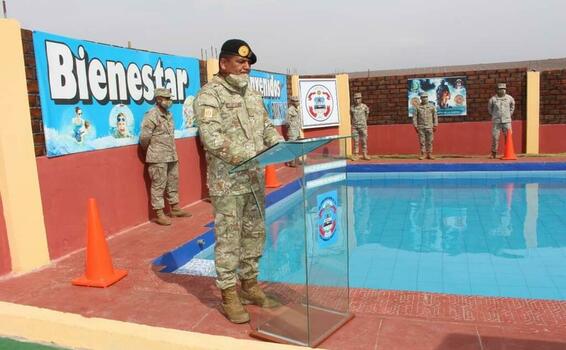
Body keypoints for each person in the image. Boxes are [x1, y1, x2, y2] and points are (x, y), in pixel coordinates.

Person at [193, 39, 283, 324]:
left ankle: (250, 286)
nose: (246, 67)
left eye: (249, 64)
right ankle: (229, 294)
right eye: (241, 62)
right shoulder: (209, 96)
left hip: (254, 180)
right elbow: (212, 139)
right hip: (228, 184)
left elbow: (267, 128)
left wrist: (280, 144)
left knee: (255, 235)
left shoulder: (253, 95)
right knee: (229, 240)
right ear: (223, 63)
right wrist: (254, 154)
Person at [139, 88, 191, 226]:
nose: (169, 101)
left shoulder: (169, 115)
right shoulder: (151, 115)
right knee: (158, 185)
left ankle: (175, 208)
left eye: (170, 98)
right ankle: (159, 214)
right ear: (158, 99)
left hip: (171, 155)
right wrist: (151, 151)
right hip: (157, 157)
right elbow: (144, 138)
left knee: (173, 181)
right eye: (166, 98)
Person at [488, 83, 515, 159]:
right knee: (495, 137)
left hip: (507, 121)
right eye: (500, 89)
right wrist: (495, 115)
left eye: (503, 89)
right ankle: (494, 153)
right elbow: (490, 109)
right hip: (496, 121)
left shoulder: (510, 98)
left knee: (508, 137)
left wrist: (509, 115)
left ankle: (507, 153)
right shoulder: (493, 99)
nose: (502, 90)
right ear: (497, 90)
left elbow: (512, 107)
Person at [413, 92, 438, 160]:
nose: (424, 98)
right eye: (423, 97)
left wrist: (435, 125)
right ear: (420, 98)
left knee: (430, 141)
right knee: (422, 141)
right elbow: (414, 117)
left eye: (426, 97)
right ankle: (423, 154)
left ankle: (429, 154)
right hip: (421, 127)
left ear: (428, 97)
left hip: (430, 126)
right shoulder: (417, 107)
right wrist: (415, 126)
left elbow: (435, 116)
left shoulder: (432, 106)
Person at [350, 92, 370, 160]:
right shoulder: (352, 107)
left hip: (363, 127)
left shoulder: (364, 107)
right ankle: (356, 155)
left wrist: (363, 123)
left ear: (361, 99)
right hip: (355, 127)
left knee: (364, 140)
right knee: (356, 141)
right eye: (355, 98)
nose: (357, 100)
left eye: (358, 98)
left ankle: (365, 154)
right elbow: (351, 116)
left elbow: (367, 115)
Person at [285, 96, 302, 167]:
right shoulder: (290, 110)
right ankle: (291, 162)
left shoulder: (296, 110)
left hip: (297, 131)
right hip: (292, 132)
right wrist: (291, 128)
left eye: (298, 101)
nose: (298, 102)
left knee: (296, 147)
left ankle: (296, 161)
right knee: (292, 147)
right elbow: (287, 122)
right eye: (296, 101)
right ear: (293, 102)